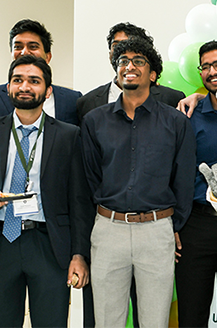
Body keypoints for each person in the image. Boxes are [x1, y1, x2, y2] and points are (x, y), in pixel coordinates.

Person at [80, 37, 196, 327]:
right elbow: (91, 176)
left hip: (156, 232)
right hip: (108, 231)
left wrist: (174, 225)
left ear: (153, 74)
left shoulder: (176, 122)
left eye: (138, 61)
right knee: (107, 320)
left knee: (155, 321)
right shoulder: (94, 121)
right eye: (123, 62)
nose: (129, 67)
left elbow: (184, 178)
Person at [0, 55, 93, 327]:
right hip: (3, 240)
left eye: (34, 81)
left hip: (49, 245)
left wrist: (79, 255)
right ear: (8, 87)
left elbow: (79, 201)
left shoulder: (69, 135)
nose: (25, 86)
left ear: (48, 90)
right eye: (18, 80)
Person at [174, 40, 217, 328]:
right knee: (192, 313)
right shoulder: (188, 116)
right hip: (197, 225)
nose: (213, 71)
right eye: (206, 67)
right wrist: (175, 225)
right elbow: (174, 173)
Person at [76, 22, 185, 122]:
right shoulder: (86, 103)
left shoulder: (172, 98)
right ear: (110, 55)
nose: (122, 50)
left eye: (129, 45)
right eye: (116, 46)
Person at [0, 19, 81, 125]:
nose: (24, 52)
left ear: (48, 57)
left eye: (33, 47)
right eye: (18, 47)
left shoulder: (73, 99)